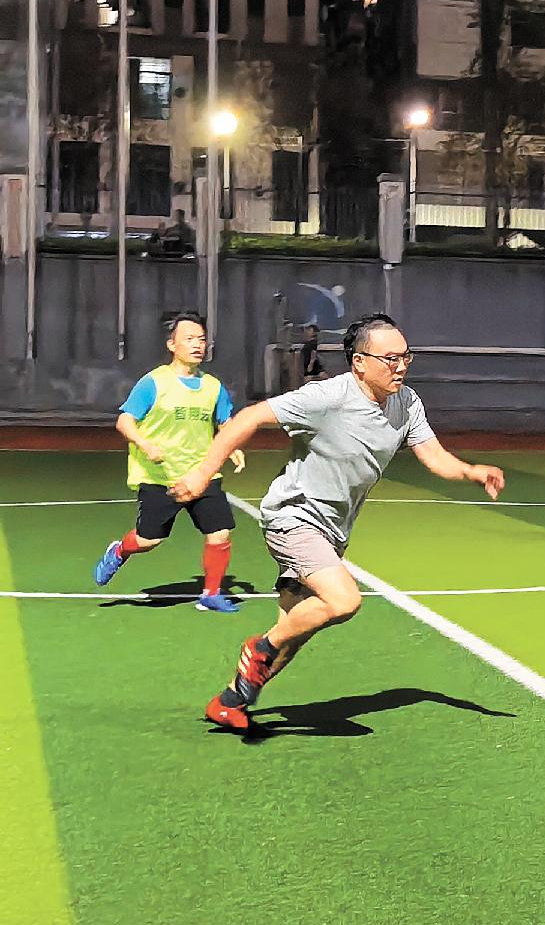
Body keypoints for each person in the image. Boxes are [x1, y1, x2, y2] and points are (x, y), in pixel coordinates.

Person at [170, 313, 506, 733]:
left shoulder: (407, 402)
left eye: (406, 357)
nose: (401, 366)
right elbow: (249, 417)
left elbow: (433, 455)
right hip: (294, 516)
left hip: (333, 530)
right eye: (390, 358)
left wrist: (470, 471)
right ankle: (260, 648)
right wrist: (203, 474)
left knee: (295, 630)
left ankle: (229, 701)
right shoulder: (326, 397)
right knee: (343, 601)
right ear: (359, 362)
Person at [92, 311, 247, 612]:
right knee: (148, 540)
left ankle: (211, 594)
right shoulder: (153, 383)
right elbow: (125, 421)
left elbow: (224, 423)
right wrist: (145, 444)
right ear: (172, 345)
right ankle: (120, 551)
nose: (197, 345)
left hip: (202, 475)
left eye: (201, 339)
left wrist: (232, 447)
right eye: (189, 339)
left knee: (219, 533)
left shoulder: (213, 387)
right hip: (160, 477)